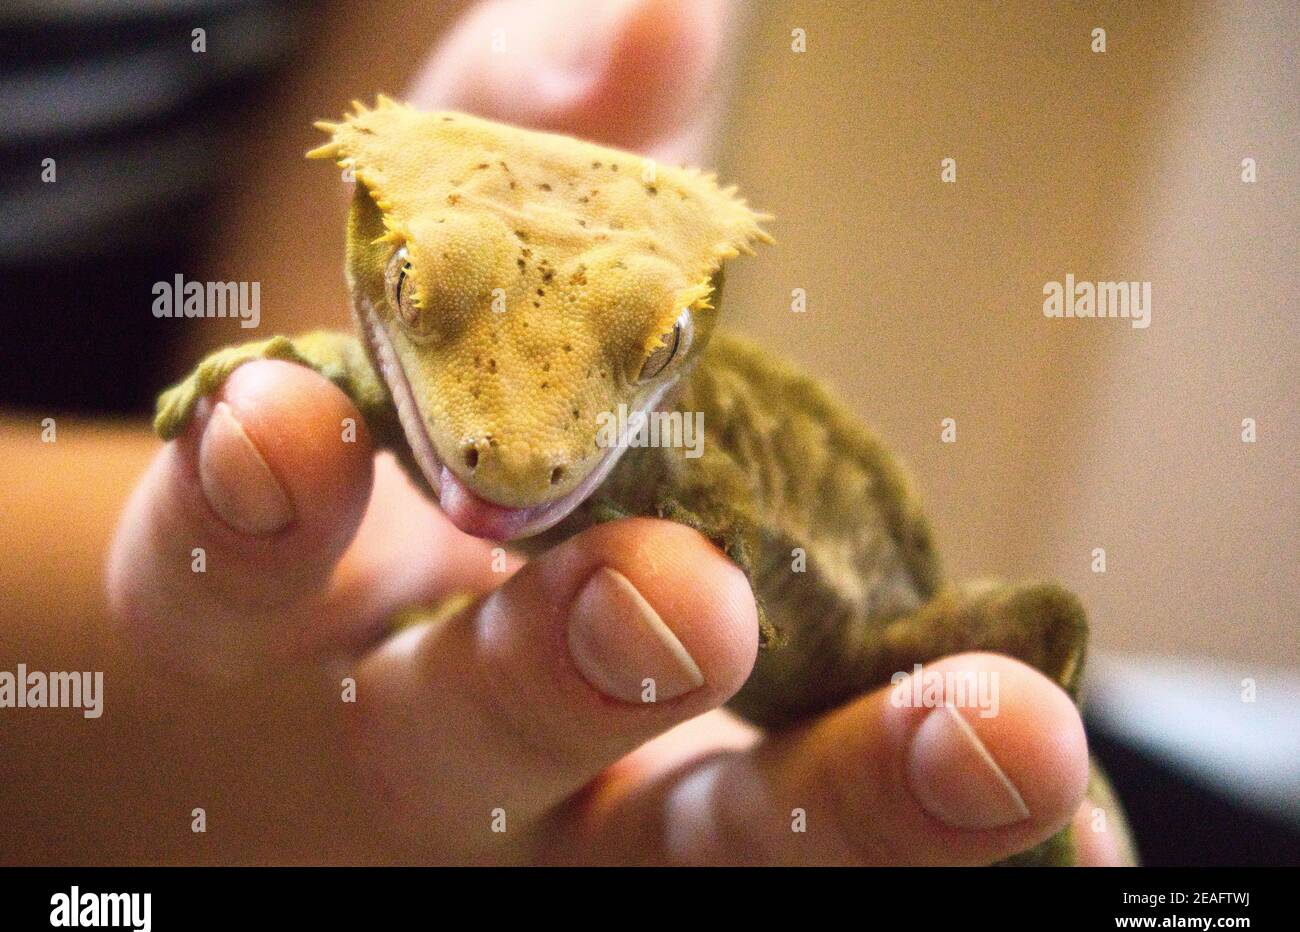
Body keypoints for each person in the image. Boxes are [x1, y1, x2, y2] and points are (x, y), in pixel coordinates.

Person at [32, 0, 1137, 865]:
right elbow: (345, 369)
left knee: (1043, 738)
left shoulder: (675, 451)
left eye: (642, 342)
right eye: (424, 291)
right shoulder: (390, 343)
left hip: (868, 671)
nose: (519, 445)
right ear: (370, 242)